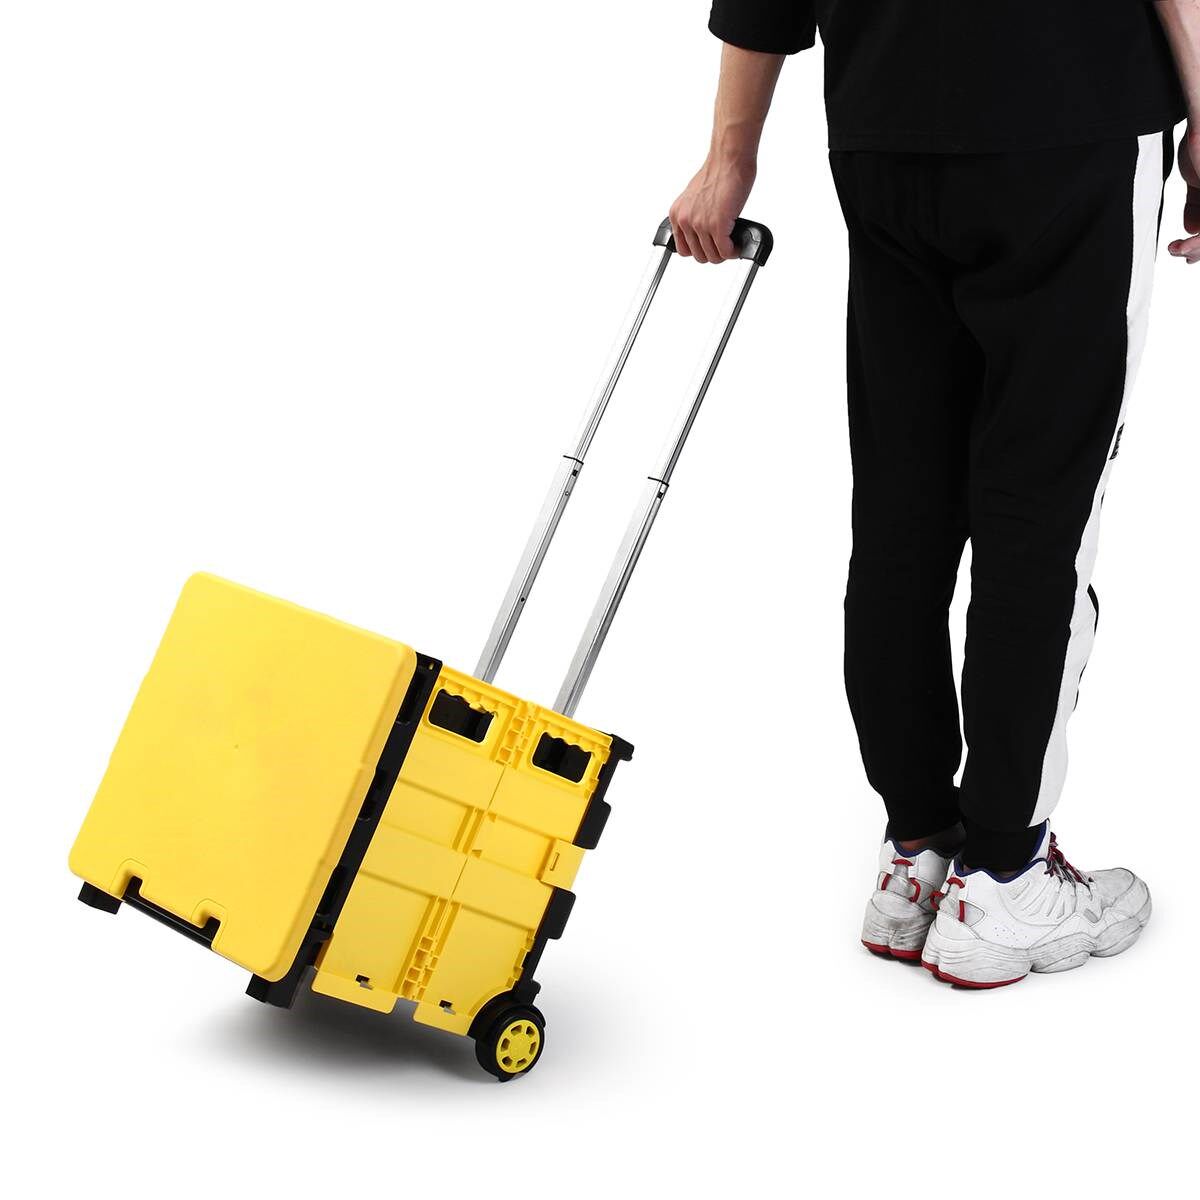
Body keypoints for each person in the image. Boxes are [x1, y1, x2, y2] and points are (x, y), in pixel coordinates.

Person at [671, 1, 1199, 988]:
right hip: (1069, 115)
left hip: (885, 131)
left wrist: (728, 156)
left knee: (902, 508)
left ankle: (916, 850)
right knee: (1041, 513)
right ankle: (1003, 874)